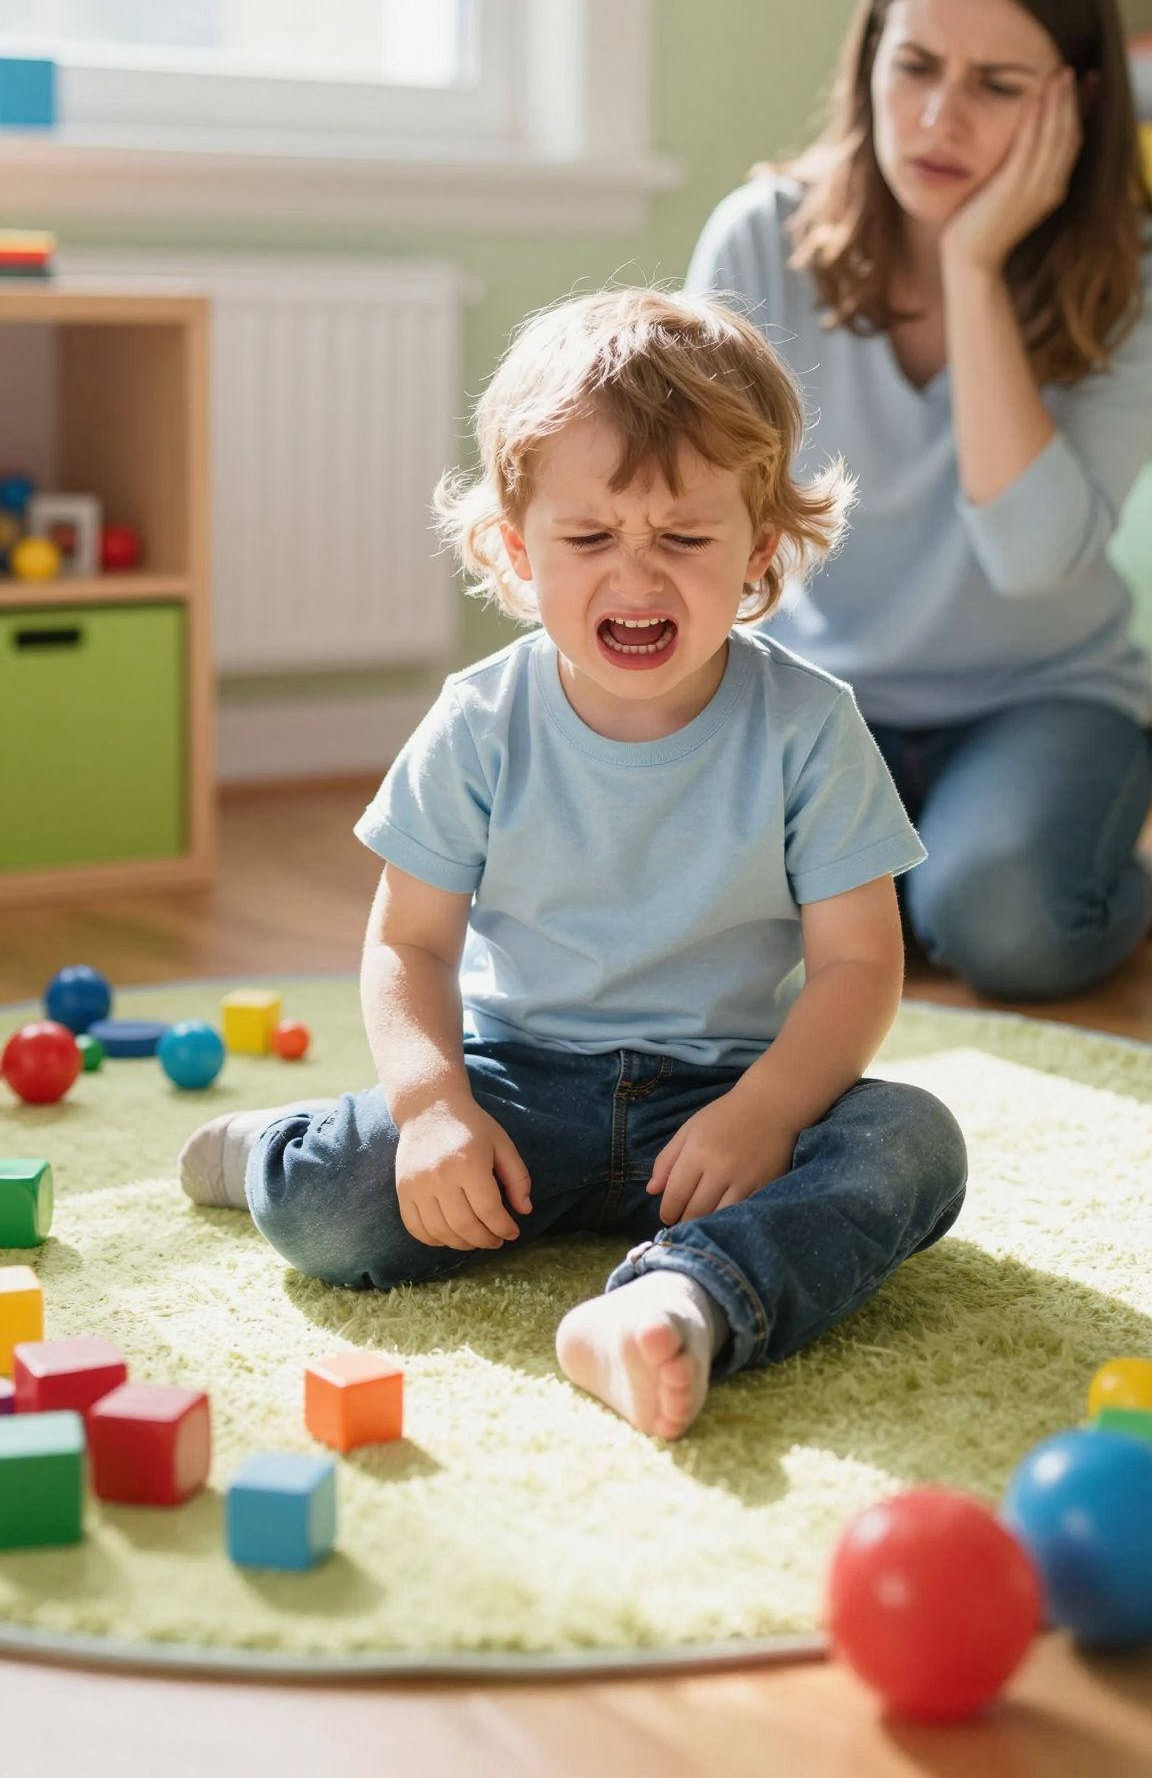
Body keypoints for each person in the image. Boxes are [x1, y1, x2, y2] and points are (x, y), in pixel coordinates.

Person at [179, 288, 967, 1442]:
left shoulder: (811, 724)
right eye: (590, 537)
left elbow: (858, 964)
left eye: (684, 538)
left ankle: (684, 1298)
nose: (637, 578)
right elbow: (409, 941)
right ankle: (275, 1146)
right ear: (516, 547)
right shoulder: (478, 719)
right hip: (517, 1089)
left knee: (913, 1145)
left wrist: (764, 1112)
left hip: (722, 1099)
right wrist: (433, 1108)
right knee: (334, 1203)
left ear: (759, 546)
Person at [686, 0, 1152, 1002]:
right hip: (822, 699)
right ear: (869, 65)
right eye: (916, 67)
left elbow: (1031, 561)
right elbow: (689, 516)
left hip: (1044, 695)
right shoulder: (761, 240)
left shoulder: (1129, 279)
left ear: (1077, 101)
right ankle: (926, 873)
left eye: (997, 86)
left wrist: (973, 266)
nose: (941, 118)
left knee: (1008, 922)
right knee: (715, 924)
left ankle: (1041, 869)